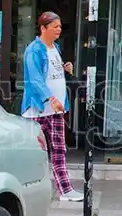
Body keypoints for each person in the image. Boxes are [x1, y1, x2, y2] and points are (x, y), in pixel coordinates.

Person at [21, 11, 83, 202]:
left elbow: (51, 72)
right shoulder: (34, 50)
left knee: (58, 150)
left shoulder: (55, 48)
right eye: (55, 26)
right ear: (43, 28)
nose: (59, 30)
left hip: (55, 110)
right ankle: (24, 190)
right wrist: (50, 98)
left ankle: (65, 190)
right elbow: (35, 78)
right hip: (37, 110)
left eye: (60, 27)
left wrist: (65, 68)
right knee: (31, 152)